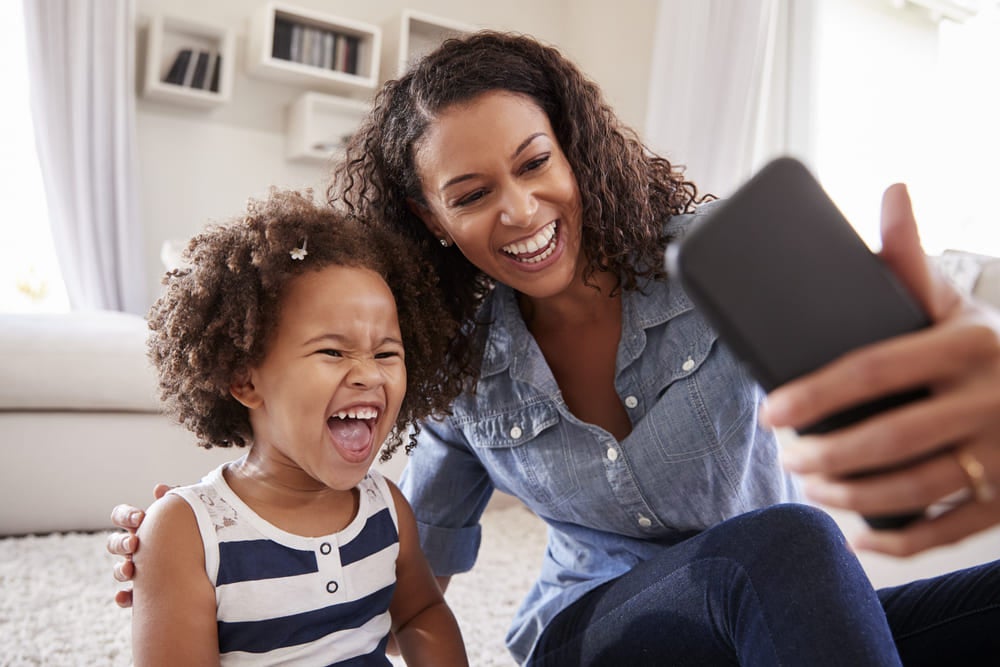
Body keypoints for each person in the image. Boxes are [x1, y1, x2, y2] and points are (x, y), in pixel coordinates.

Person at [110, 32, 1000, 666]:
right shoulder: (457, 358)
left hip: (756, 608)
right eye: (472, 191)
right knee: (788, 545)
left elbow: (903, 399)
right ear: (434, 220)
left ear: (572, 151)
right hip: (593, 635)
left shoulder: (715, 260)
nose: (521, 211)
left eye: (535, 163)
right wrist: (202, 547)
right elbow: (404, 558)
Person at [129, 188, 468, 666]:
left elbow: (420, 614)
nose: (369, 374)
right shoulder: (189, 532)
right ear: (245, 379)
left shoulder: (387, 509)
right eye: (333, 351)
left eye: (387, 352)